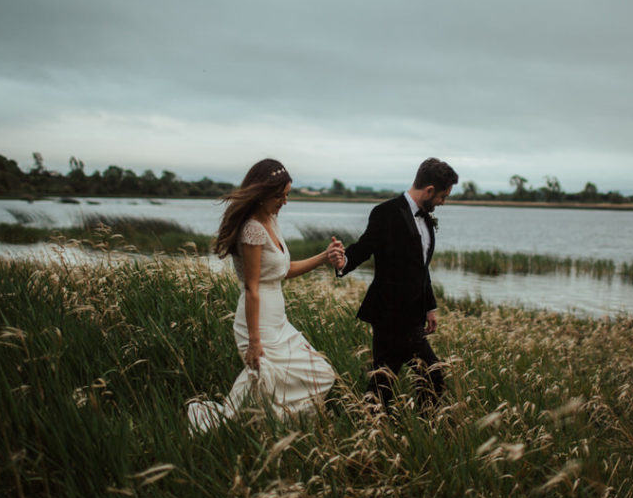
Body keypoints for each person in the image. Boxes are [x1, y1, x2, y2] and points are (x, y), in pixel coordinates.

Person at [188, 159, 344, 433]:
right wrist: (254, 342)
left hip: (278, 321)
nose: (284, 202)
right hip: (257, 325)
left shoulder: (271, 221)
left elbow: (282, 271)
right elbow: (251, 288)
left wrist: (324, 257)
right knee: (268, 381)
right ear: (261, 194)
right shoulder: (252, 230)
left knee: (320, 373)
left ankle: (275, 427)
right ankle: (239, 428)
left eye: (286, 195)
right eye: (279, 196)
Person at [328, 157, 458, 411]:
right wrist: (342, 261)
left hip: (413, 316)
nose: (443, 202)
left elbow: (421, 268)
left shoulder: (427, 220)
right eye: (443, 196)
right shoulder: (385, 213)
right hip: (389, 315)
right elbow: (364, 248)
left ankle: (373, 425)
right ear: (429, 190)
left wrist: (429, 306)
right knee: (432, 373)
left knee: (384, 381)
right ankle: (427, 427)